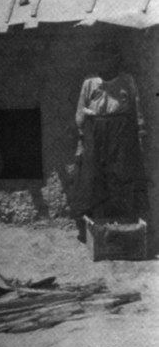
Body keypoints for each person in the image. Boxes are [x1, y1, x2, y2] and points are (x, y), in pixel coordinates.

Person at [72, 41, 147, 238]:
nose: (102, 62)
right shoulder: (90, 82)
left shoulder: (127, 80)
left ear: (116, 60)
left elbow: (136, 107)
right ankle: (96, 226)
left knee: (121, 175)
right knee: (94, 176)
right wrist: (83, 137)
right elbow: (81, 111)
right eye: (99, 58)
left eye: (106, 58)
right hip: (95, 132)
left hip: (121, 133)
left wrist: (140, 133)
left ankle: (123, 226)